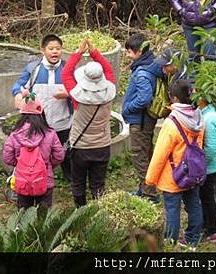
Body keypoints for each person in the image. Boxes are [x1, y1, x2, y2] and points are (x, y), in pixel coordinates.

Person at [145, 80, 204, 250]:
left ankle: (170, 242)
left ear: (175, 99)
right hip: (193, 171)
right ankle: (192, 239)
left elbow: (160, 154)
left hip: (174, 175)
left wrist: (150, 179)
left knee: (172, 210)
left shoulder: (172, 123)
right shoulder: (198, 116)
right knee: (194, 205)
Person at [121, 36, 179, 202]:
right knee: (147, 152)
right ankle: (145, 187)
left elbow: (144, 99)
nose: (127, 54)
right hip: (148, 120)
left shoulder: (142, 73)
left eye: (129, 51)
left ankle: (149, 193)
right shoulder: (152, 64)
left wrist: (127, 108)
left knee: (140, 155)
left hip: (139, 121)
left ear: (139, 52)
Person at [61, 38, 116, 207]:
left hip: (81, 147)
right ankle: (98, 211)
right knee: (98, 184)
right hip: (102, 145)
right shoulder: (109, 92)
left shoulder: (78, 96)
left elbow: (66, 74)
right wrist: (95, 53)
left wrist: (78, 52)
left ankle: (81, 211)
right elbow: (109, 70)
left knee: (78, 182)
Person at [12, 34, 72, 181]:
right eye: (51, 49)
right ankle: (34, 174)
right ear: (43, 50)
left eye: (58, 49)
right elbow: (19, 85)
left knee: (65, 150)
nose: (55, 52)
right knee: (38, 150)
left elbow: (79, 90)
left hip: (62, 120)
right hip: (38, 121)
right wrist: (18, 94)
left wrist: (68, 94)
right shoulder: (34, 69)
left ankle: (68, 176)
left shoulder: (67, 69)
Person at [2, 93, 65, 209]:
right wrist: (48, 165)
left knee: (24, 215)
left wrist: (20, 164)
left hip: (22, 180)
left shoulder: (15, 134)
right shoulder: (50, 133)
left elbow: (7, 158)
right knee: (43, 216)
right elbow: (59, 156)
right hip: (45, 179)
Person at [197, 96, 216, 243]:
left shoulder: (209, 118)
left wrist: (201, 163)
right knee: (205, 198)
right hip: (208, 167)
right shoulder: (206, 114)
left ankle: (212, 231)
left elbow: (212, 148)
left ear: (204, 99)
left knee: (207, 199)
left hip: (209, 168)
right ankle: (206, 226)